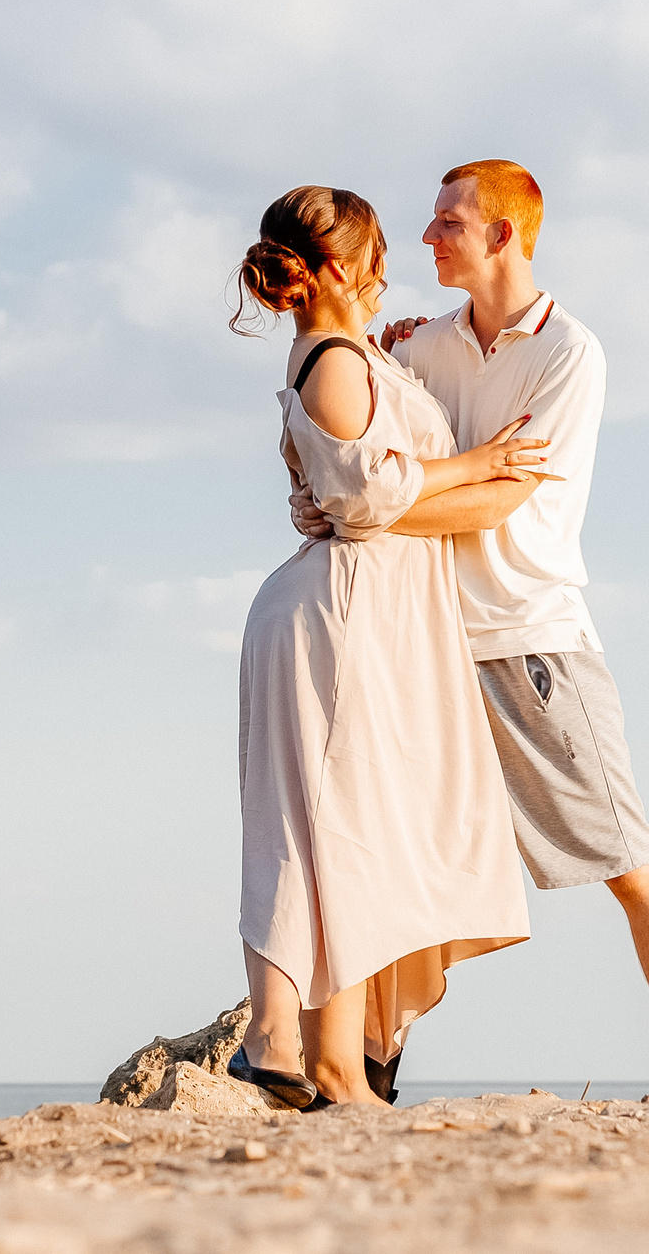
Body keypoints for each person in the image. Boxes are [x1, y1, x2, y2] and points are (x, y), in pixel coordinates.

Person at [295, 159, 649, 1097]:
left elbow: (494, 498)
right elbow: (354, 444)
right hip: (420, 644)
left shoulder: (570, 352)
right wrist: (326, 492)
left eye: (447, 221)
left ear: (503, 235)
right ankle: (374, 1066)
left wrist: (359, 507)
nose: (426, 237)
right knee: (407, 862)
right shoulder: (417, 347)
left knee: (626, 858)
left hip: (529, 641)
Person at [228, 185, 556, 1110]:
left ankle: (325, 1055)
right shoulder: (330, 356)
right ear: (335, 267)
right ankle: (290, 1045)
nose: (386, 272)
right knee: (323, 826)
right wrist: (479, 463)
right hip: (336, 613)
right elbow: (366, 494)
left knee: (358, 833)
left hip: (370, 613)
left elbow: (354, 484)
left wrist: (405, 348)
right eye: (373, 257)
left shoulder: (361, 352)